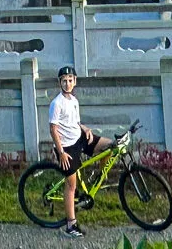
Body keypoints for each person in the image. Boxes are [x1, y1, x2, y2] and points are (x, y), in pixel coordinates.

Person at [49, 65, 106, 237]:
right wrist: (61, 153)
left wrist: (85, 128)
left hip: (80, 137)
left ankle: (97, 177)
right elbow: (53, 129)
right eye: (64, 81)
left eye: (70, 80)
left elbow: (74, 122)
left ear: (75, 81)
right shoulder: (56, 103)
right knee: (71, 186)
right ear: (60, 83)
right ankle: (70, 226)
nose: (67, 84)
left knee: (110, 147)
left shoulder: (74, 100)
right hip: (66, 147)